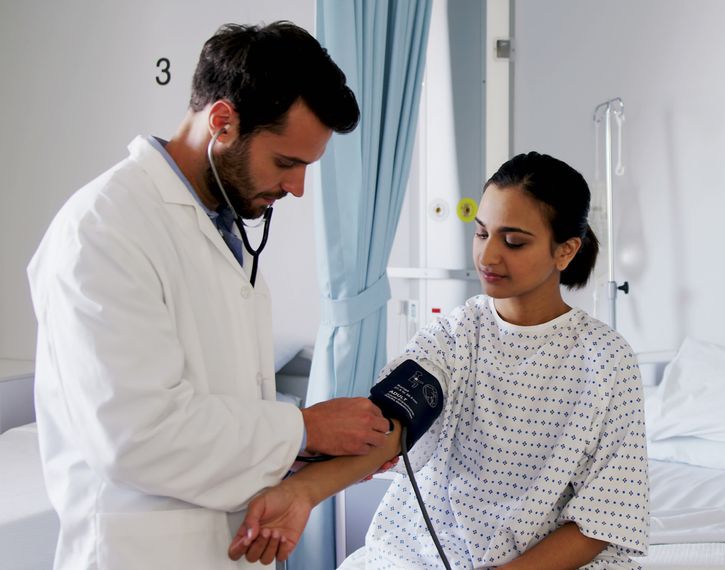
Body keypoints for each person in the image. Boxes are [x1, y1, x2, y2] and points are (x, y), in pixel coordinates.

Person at [27, 22, 392, 570]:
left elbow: (218, 397)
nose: (296, 188)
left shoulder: (217, 225)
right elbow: (135, 436)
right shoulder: (103, 228)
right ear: (223, 122)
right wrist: (303, 428)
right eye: (287, 162)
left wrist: (297, 456)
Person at [229, 152, 650, 569]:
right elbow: (394, 419)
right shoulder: (457, 334)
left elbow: (603, 519)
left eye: (514, 241)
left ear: (565, 251)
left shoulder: (607, 361)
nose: (488, 256)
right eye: (482, 233)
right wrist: (303, 492)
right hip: (419, 554)